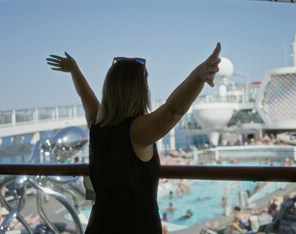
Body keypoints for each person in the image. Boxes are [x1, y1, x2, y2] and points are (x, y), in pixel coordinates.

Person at [47, 43, 221, 234]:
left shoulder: (96, 126)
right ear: (141, 91)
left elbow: (85, 94)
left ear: (109, 90)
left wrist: (74, 70)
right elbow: (172, 110)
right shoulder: (138, 131)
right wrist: (198, 76)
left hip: (99, 226)